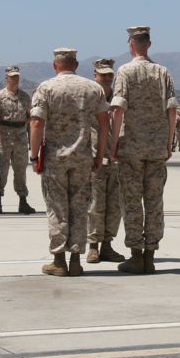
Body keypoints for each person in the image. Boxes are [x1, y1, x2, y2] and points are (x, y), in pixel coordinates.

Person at [30, 48, 108, 277]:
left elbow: (36, 122)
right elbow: (104, 123)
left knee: (57, 208)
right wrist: (99, 155)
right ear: (75, 64)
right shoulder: (92, 88)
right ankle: (75, 260)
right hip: (83, 158)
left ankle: (58, 260)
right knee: (80, 208)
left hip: (55, 160)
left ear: (56, 65)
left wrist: (34, 156)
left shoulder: (46, 88)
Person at [110, 26, 177, 275]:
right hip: (156, 148)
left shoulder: (125, 72)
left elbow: (118, 110)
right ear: (148, 44)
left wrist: (114, 142)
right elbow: (172, 111)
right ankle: (150, 255)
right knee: (154, 201)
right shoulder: (162, 72)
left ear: (131, 45)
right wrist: (168, 141)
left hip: (132, 148)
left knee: (132, 201)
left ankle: (136, 254)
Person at [86, 58, 126, 264]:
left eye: (110, 75)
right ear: (95, 75)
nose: (107, 78)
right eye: (103, 75)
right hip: (95, 156)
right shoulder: (89, 98)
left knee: (114, 205)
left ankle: (107, 244)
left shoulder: (119, 98)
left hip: (116, 156)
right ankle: (92, 245)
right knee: (95, 203)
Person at [0, 66, 35, 214]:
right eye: (12, 77)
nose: (15, 79)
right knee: (2, 170)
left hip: (20, 137)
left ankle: (23, 201)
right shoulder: (0, 96)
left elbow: (31, 115)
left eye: (17, 76)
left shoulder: (25, 97)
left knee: (20, 170)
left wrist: (23, 125)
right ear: (6, 78)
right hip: (5, 136)